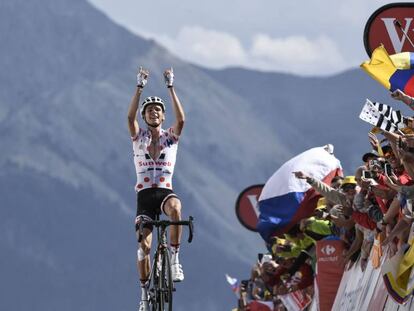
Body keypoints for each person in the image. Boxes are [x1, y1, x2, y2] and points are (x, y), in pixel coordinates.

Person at [127, 66, 185, 311]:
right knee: (144, 247)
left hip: (163, 191)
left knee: (175, 208)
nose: (154, 113)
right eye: (149, 110)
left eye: (158, 110)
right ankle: (143, 293)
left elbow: (181, 119)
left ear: (162, 117)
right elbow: (129, 118)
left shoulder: (170, 137)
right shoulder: (138, 137)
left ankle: (174, 260)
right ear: (145, 116)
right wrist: (139, 87)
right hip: (144, 197)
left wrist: (171, 87)